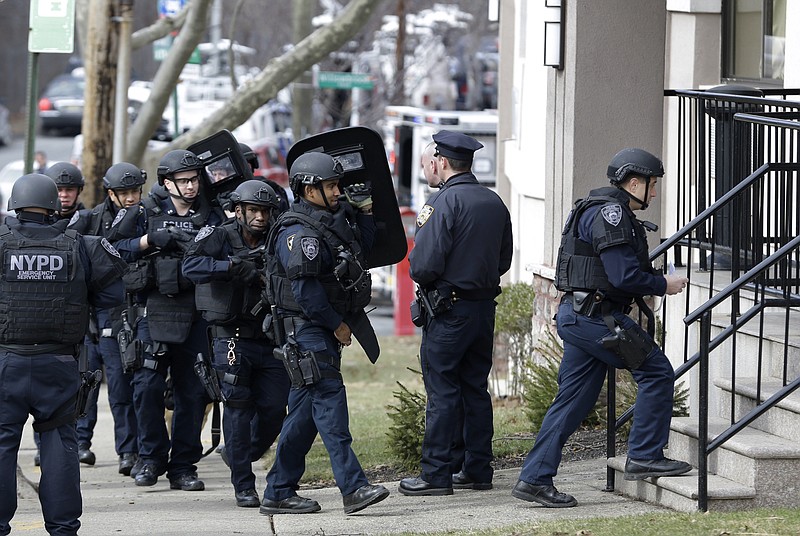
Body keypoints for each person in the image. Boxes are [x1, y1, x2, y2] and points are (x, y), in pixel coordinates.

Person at [511, 148, 691, 508]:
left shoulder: (602, 210)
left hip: (582, 317)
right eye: (652, 185)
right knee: (657, 373)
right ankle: (644, 455)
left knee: (571, 403)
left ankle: (534, 479)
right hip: (597, 319)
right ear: (634, 182)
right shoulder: (611, 214)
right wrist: (662, 284)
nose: (654, 194)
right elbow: (622, 274)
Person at [260, 151, 389, 515]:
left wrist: (364, 210)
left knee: (302, 417)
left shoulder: (329, 221)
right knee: (331, 406)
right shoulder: (298, 232)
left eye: (337, 185)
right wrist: (338, 324)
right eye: (330, 186)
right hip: (308, 332)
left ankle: (278, 491)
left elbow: (360, 248)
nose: (337, 192)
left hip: (319, 332)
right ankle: (354, 487)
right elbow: (306, 293)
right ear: (307, 189)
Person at [0, 173, 125, 536]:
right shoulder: (83, 246)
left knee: (3, 443)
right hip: (60, 364)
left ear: (15, 205)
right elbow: (111, 299)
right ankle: (63, 528)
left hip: (6, 361)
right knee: (59, 443)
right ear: (56, 205)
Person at [399, 130, 513, 497]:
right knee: (475, 389)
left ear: (441, 162)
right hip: (482, 310)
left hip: (448, 314)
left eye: (428, 164)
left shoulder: (441, 204)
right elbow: (504, 261)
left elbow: (422, 266)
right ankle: (478, 469)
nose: (428, 170)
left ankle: (436, 474)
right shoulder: (494, 202)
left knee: (443, 391)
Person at [118, 149, 225, 491]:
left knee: (192, 392)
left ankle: (183, 466)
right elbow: (111, 248)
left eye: (195, 179)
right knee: (147, 386)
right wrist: (149, 240)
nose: (192, 186)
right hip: (155, 309)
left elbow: (231, 249)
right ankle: (150, 458)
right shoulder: (145, 212)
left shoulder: (212, 214)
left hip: (197, 312)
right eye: (184, 181)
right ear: (167, 183)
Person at [182, 180, 290, 508]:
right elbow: (191, 266)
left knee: (275, 407)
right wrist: (230, 266)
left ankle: (241, 453)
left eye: (265, 211)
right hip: (231, 339)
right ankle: (244, 484)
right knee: (238, 407)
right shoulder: (219, 235)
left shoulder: (276, 237)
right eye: (253, 210)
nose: (260, 217)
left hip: (268, 338)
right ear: (239, 210)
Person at [70, 162, 146, 475]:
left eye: (134, 191)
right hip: (95, 315)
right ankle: (82, 443)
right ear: (111, 193)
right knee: (95, 383)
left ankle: (129, 451)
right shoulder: (88, 220)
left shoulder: (149, 216)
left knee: (125, 386)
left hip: (133, 310)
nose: (130, 198)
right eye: (123, 192)